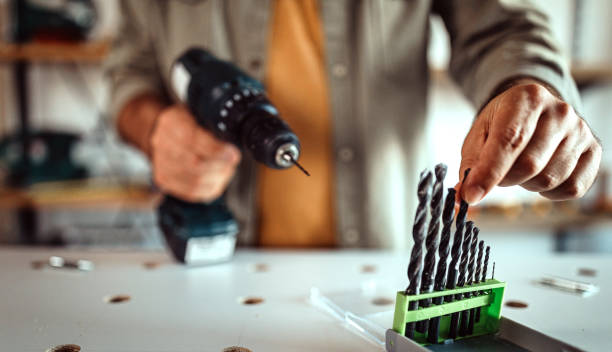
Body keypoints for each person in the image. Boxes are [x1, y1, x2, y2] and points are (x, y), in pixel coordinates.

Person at [106, 0, 601, 250]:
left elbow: (502, 28)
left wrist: (528, 89)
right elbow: (128, 72)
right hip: (218, 258)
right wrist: (153, 129)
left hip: (382, 259)